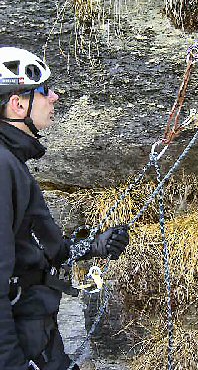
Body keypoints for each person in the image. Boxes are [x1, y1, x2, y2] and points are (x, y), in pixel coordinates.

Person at [0, 47, 129, 370]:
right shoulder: (2, 167)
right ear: (18, 104)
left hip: (38, 338)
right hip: (22, 344)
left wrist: (93, 246)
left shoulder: (13, 162)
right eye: (44, 91)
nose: (54, 97)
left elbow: (33, 247)